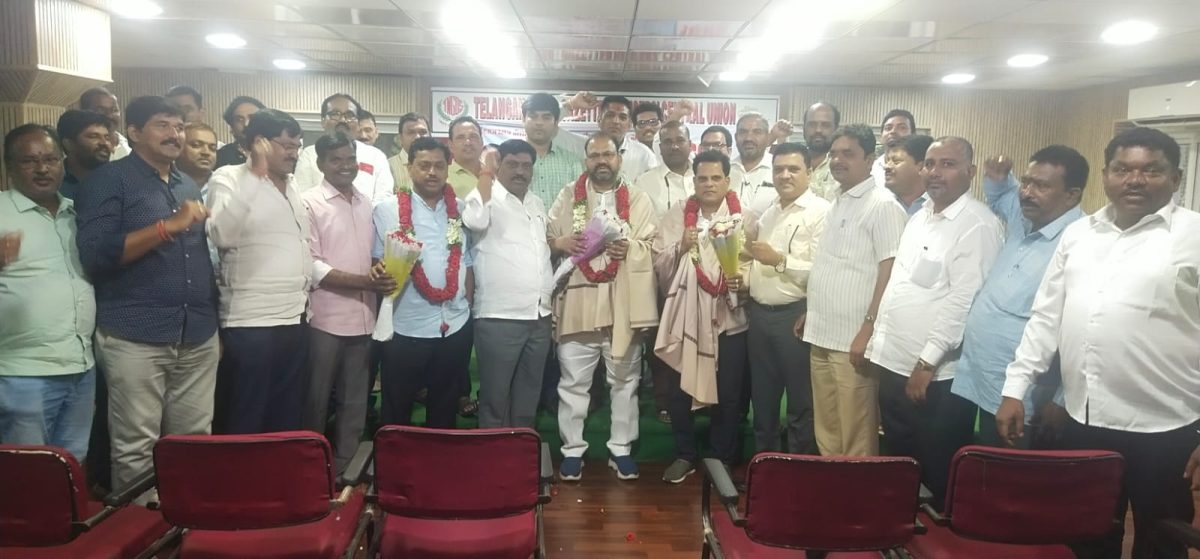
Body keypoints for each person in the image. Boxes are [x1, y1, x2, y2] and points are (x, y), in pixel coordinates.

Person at [998, 127, 1200, 559]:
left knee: (1162, 540)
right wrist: (1016, 388)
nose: (1135, 180)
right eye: (1123, 169)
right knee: (1085, 533)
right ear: (1106, 175)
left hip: (1167, 427)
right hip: (1085, 419)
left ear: (1176, 178)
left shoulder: (1194, 237)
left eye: (1151, 170)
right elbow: (1046, 317)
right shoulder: (1079, 234)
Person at [75, 96, 219, 492]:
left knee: (193, 441)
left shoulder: (185, 183)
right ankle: (141, 527)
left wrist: (213, 324)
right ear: (134, 132)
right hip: (135, 333)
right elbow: (96, 255)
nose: (175, 134)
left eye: (179, 126)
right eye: (162, 125)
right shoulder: (108, 180)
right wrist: (166, 227)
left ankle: (186, 520)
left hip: (196, 333)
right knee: (137, 447)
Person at [869, 136, 1003, 507]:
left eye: (948, 164)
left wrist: (927, 363)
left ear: (970, 172)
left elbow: (963, 301)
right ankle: (900, 527)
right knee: (900, 464)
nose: (935, 172)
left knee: (936, 471)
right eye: (930, 163)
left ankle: (936, 532)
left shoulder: (978, 224)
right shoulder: (921, 216)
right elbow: (902, 285)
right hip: (896, 363)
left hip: (936, 376)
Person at [951, 146, 1087, 449]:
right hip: (985, 377)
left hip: (1026, 398)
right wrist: (1000, 177)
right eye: (1026, 182)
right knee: (985, 460)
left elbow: (1085, 333)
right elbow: (1002, 196)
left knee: (1016, 472)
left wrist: (1061, 399)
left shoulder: (1083, 242)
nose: (1026, 192)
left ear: (1071, 195)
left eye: (1041, 185)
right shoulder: (1027, 214)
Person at [548, 132, 657, 481]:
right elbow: (548, 236)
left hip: (621, 304)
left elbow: (653, 245)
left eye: (607, 155)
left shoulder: (638, 199)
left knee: (625, 382)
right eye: (594, 156)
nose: (601, 161)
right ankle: (572, 450)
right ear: (586, 161)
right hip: (578, 301)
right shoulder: (569, 195)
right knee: (573, 383)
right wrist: (561, 242)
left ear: (619, 159)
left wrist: (632, 248)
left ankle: (621, 449)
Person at [802, 124, 907, 457]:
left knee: (856, 430)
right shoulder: (837, 201)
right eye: (834, 153)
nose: (838, 160)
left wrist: (868, 328)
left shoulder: (883, 205)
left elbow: (890, 272)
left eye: (848, 154)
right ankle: (831, 484)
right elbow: (833, 265)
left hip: (853, 339)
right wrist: (811, 312)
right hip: (822, 332)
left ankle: (857, 489)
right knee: (828, 425)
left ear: (870, 159)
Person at [206, 109, 312, 434]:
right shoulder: (228, 177)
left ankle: (278, 468)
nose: (294, 153)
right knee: (246, 416)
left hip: (294, 317)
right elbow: (222, 234)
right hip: (251, 323)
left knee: (286, 416)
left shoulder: (292, 185)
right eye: (286, 145)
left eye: (297, 146)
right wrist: (255, 174)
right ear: (259, 142)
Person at [653, 149, 751, 483]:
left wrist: (743, 280)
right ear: (693, 181)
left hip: (730, 318)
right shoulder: (677, 215)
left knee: (729, 392)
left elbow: (753, 263)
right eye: (702, 178)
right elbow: (658, 264)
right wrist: (681, 246)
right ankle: (685, 454)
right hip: (687, 317)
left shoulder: (744, 218)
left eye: (715, 178)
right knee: (680, 389)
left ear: (728, 181)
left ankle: (721, 457)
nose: (709, 184)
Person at [0, 124, 96, 463]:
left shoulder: (78, 213)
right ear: (10, 167)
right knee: (26, 471)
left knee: (71, 466)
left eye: (51, 159)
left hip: (81, 367)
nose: (42, 168)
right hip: (21, 373)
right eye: (29, 161)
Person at [301, 132, 393, 473]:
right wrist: (364, 282)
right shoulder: (309, 202)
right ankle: (309, 470)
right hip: (325, 320)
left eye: (350, 159)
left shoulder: (366, 203)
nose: (345, 166)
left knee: (355, 402)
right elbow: (312, 265)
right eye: (336, 159)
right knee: (315, 400)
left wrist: (380, 270)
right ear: (321, 163)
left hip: (365, 317)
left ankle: (345, 471)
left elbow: (373, 255)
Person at [372, 137, 473, 429]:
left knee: (445, 407)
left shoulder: (460, 209)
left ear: (448, 168)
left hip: (454, 324)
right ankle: (395, 458)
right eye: (424, 165)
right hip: (406, 326)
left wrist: (467, 303)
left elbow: (467, 261)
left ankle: (438, 457)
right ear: (409, 167)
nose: (432, 172)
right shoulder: (387, 210)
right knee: (397, 408)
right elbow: (377, 260)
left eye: (439, 166)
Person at [745, 142, 831, 455]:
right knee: (763, 400)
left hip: (796, 316)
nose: (785, 175)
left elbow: (823, 271)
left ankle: (798, 468)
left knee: (800, 401)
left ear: (809, 173)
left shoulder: (821, 212)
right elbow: (757, 260)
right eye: (779, 169)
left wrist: (780, 260)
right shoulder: (769, 212)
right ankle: (765, 465)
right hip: (759, 316)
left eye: (793, 169)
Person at [463, 139, 553, 429]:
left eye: (526, 166)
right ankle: (491, 454)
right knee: (495, 397)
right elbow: (475, 221)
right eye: (512, 164)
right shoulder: (485, 196)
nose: (520, 171)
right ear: (499, 164)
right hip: (499, 316)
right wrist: (485, 173)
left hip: (539, 314)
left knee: (529, 394)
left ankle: (520, 451)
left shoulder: (536, 202)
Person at [294, 93, 394, 203]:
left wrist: (362, 212)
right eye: (335, 114)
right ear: (323, 121)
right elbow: (302, 196)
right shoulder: (309, 154)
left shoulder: (376, 156)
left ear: (358, 123)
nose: (342, 120)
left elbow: (383, 198)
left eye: (349, 115)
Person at [56, 109, 113, 199]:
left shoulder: (120, 179)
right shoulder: (53, 180)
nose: (104, 143)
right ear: (69, 144)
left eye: (107, 137)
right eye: (94, 137)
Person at [731, 113, 780, 214]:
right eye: (743, 132)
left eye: (757, 132)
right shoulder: (725, 171)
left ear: (768, 137)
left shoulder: (779, 169)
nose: (748, 138)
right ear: (736, 137)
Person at [883, 134, 933, 217]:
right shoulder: (880, 204)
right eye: (887, 161)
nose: (886, 167)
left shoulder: (939, 205)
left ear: (921, 167)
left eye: (896, 161)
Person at [802, 102, 840, 201]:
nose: (818, 130)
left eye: (825, 125)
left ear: (836, 129)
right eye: (812, 125)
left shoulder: (844, 166)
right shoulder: (794, 164)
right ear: (804, 129)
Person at [79, 87, 130, 161]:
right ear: (84, 113)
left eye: (114, 110)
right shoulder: (81, 151)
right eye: (101, 111)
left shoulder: (130, 147)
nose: (109, 116)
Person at [214, 96, 265, 169]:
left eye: (253, 118)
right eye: (239, 120)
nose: (246, 124)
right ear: (232, 127)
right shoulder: (220, 157)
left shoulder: (278, 152)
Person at [386, 112, 430, 193]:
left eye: (423, 132)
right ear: (400, 138)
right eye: (411, 132)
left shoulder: (439, 165)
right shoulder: (388, 166)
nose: (417, 137)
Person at [873, 109, 916, 187]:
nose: (893, 131)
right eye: (888, 128)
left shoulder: (920, 170)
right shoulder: (872, 169)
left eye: (902, 127)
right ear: (881, 135)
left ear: (913, 134)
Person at [446, 115, 486, 198]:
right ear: (450, 145)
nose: (468, 142)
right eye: (460, 137)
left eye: (473, 136)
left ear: (482, 142)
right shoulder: (443, 177)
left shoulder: (496, 174)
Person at [177, 122, 218, 189]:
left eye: (212, 148)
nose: (206, 152)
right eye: (196, 145)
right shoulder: (163, 182)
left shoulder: (224, 182)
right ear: (179, 148)